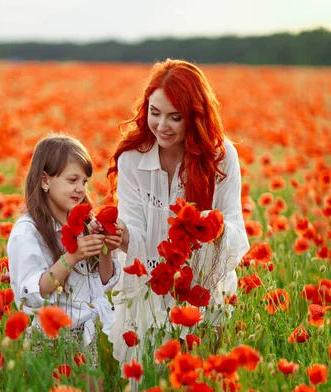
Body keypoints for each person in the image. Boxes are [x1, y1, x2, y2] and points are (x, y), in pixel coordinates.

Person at [106, 59, 250, 364]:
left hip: (204, 289)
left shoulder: (220, 157)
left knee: (199, 387)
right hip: (150, 288)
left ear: (195, 118)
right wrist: (121, 235)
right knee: (148, 389)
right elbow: (135, 229)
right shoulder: (132, 158)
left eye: (175, 117)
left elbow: (236, 229)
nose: (161, 126)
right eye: (154, 113)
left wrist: (212, 226)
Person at [7, 133, 122, 378]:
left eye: (85, 181)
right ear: (45, 181)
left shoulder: (82, 224)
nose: (80, 189)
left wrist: (105, 250)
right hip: (46, 341)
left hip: (84, 340)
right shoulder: (27, 233)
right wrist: (71, 257)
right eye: (72, 180)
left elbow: (102, 283)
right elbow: (34, 294)